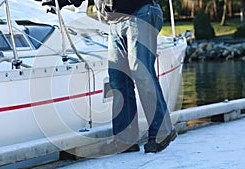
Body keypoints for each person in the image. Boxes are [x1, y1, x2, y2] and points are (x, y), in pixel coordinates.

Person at [41, 0, 177, 154]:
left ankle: (162, 132)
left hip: (141, 12)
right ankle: (125, 140)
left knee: (141, 73)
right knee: (118, 79)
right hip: (116, 20)